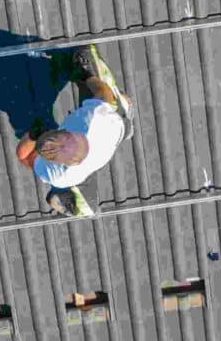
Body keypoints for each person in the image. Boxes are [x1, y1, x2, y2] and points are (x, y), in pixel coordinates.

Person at [14, 44, 132, 217]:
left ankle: (73, 194)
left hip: (105, 142)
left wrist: (34, 135)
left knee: (49, 177)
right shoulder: (94, 120)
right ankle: (125, 107)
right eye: (54, 138)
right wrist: (85, 74)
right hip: (116, 122)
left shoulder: (57, 175)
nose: (48, 141)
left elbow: (23, 156)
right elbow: (102, 91)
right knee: (84, 58)